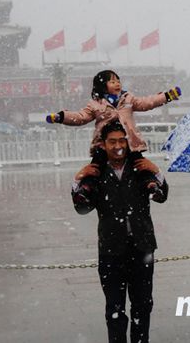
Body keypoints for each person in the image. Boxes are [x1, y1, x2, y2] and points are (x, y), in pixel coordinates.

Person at [71, 121, 168, 343]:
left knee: (143, 305)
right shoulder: (96, 172)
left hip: (142, 248)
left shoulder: (140, 168)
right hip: (111, 252)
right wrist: (77, 180)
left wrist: (157, 171)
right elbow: (82, 208)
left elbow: (161, 196)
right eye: (112, 141)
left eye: (121, 140)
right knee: (114, 309)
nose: (117, 146)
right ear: (103, 145)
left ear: (128, 142)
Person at [47, 69, 181, 187]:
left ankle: (151, 184)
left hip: (129, 142)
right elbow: (81, 117)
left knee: (140, 164)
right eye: (112, 82)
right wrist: (62, 117)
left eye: (118, 81)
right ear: (102, 86)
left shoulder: (128, 99)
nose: (117, 84)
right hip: (104, 143)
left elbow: (147, 102)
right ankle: (86, 188)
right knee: (96, 167)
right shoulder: (95, 104)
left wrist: (167, 96)